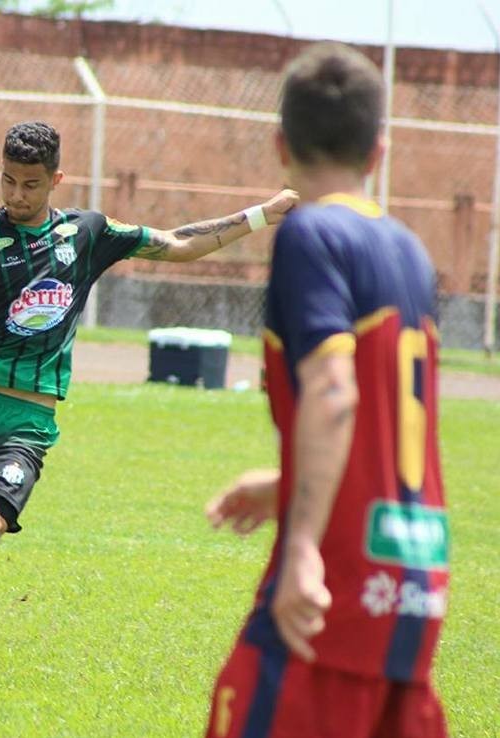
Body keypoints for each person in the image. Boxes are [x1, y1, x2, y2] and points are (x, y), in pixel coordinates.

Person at [0, 120, 297, 683]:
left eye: (30, 184)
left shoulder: (87, 234)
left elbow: (179, 243)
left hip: (27, 424)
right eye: (7, 181)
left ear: (56, 179)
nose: (16, 195)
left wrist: (265, 213)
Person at [203, 43, 449, 738]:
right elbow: (384, 421)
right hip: (415, 577)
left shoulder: (311, 232)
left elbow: (336, 393)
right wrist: (287, 485)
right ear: (378, 151)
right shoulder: (408, 247)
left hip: (335, 581)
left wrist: (303, 544)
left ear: (279, 145)